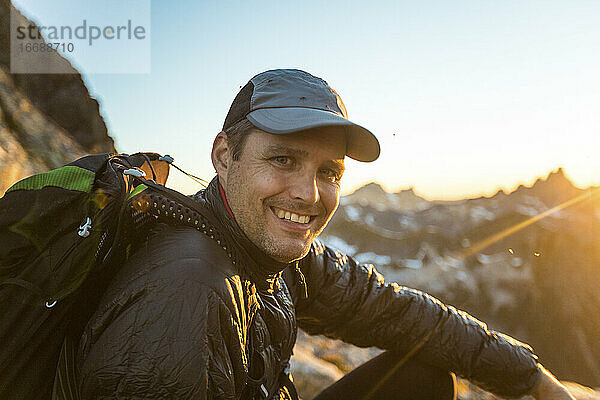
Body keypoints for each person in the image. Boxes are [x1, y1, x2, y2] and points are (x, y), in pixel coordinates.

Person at [75, 69, 575, 399]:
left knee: (419, 381)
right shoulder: (186, 294)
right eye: (282, 160)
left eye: (329, 172)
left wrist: (529, 377)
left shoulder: (268, 250)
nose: (309, 195)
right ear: (224, 157)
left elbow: (395, 310)